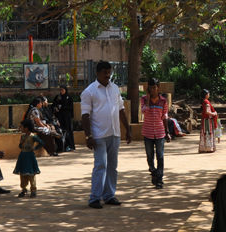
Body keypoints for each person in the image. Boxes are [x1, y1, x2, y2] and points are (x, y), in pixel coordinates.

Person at [82, 60, 131, 209]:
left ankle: (109, 195)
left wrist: (127, 129)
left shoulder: (115, 88)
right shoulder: (89, 92)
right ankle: (94, 198)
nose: (108, 75)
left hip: (114, 134)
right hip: (99, 135)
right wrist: (88, 136)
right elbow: (85, 115)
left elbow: (121, 110)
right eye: (105, 73)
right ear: (98, 73)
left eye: (109, 73)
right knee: (100, 165)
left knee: (112, 167)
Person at [140, 78, 171, 188]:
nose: (152, 90)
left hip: (160, 132)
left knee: (160, 156)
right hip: (147, 133)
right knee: (149, 156)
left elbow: (164, 117)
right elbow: (144, 111)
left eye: (154, 87)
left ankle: (159, 179)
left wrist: (167, 132)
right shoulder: (143, 99)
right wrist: (148, 98)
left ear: (158, 88)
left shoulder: (163, 101)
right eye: (150, 88)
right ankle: (153, 172)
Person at [14, 119, 44, 198]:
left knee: (31, 174)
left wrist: (34, 149)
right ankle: (24, 189)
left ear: (26, 128)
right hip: (23, 155)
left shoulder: (32, 136)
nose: (21, 128)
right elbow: (20, 147)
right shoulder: (23, 136)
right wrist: (21, 143)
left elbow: (41, 143)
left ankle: (33, 190)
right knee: (22, 173)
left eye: (22, 127)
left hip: (29, 156)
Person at [51, 85, 76, 152]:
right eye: (60, 90)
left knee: (68, 130)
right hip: (60, 117)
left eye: (63, 90)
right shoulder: (58, 97)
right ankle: (62, 146)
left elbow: (70, 107)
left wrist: (62, 107)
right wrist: (55, 108)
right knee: (61, 130)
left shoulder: (69, 97)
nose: (61, 91)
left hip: (67, 117)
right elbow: (53, 105)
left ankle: (70, 146)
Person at [199, 89, 219, 153]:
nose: (209, 95)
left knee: (206, 133)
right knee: (208, 133)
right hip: (207, 120)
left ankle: (206, 147)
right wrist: (214, 113)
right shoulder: (206, 102)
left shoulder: (203, 101)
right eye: (208, 94)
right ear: (206, 95)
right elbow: (207, 111)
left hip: (206, 119)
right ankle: (208, 147)